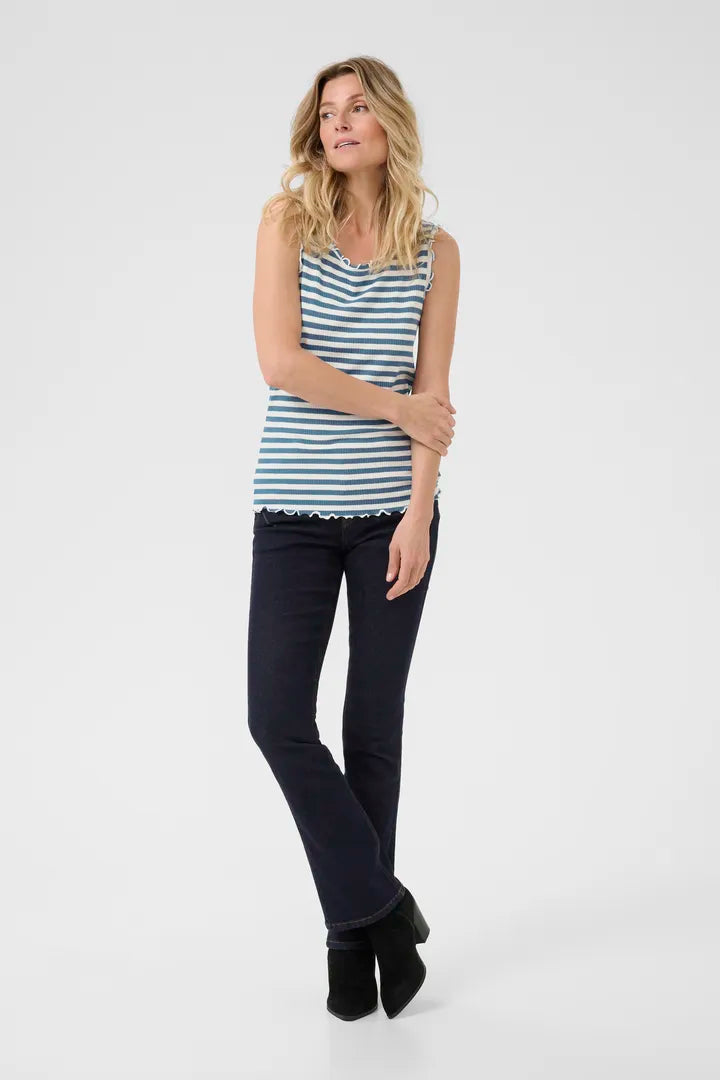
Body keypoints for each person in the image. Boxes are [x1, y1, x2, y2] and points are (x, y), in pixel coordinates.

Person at [247, 55, 460, 1021]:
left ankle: (350, 948)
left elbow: (435, 397)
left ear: (389, 126)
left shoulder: (436, 250)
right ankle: (381, 909)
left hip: (391, 518)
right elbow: (281, 364)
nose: (339, 124)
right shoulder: (286, 224)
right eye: (327, 111)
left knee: (373, 729)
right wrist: (396, 408)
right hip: (293, 512)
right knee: (277, 719)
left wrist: (419, 512)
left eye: (357, 108)